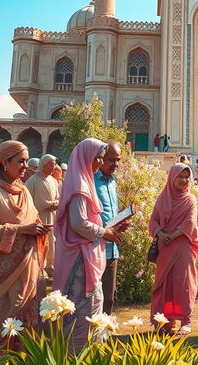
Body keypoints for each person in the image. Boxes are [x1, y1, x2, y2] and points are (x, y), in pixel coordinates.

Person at [0, 141, 48, 347]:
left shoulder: (22, 190)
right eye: (21, 161)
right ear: (4, 162)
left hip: (27, 267)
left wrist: (39, 229)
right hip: (0, 271)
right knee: (1, 319)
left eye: (26, 161)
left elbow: (33, 220)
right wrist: (22, 230)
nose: (26, 166)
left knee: (25, 319)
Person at [53, 138, 122, 349]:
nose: (100, 163)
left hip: (86, 254)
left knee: (90, 308)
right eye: (98, 158)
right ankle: (78, 353)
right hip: (80, 258)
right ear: (86, 158)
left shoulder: (83, 181)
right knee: (82, 311)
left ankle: (85, 351)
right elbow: (78, 222)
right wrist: (104, 232)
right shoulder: (81, 185)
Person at [149, 163, 198, 334]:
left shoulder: (190, 199)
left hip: (182, 246)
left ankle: (186, 321)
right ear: (172, 177)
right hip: (165, 247)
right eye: (181, 177)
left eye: (187, 177)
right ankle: (166, 321)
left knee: (184, 284)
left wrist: (174, 235)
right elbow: (153, 220)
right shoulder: (163, 198)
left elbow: (190, 222)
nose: (185, 180)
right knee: (164, 285)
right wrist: (161, 234)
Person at [94, 142, 124, 314]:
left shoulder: (112, 182)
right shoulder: (90, 181)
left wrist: (120, 224)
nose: (115, 164)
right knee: (92, 297)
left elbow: (109, 215)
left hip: (111, 249)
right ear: (100, 159)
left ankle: (103, 336)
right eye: (111, 160)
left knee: (109, 297)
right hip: (94, 248)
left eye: (118, 160)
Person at [25, 153, 59, 276]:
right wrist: (47, 205)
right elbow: (27, 201)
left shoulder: (53, 181)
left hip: (51, 218)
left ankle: (50, 266)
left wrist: (55, 203)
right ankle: (38, 269)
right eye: (51, 165)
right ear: (43, 165)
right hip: (38, 219)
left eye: (54, 165)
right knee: (39, 244)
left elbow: (57, 197)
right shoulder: (33, 180)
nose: (53, 168)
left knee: (51, 241)